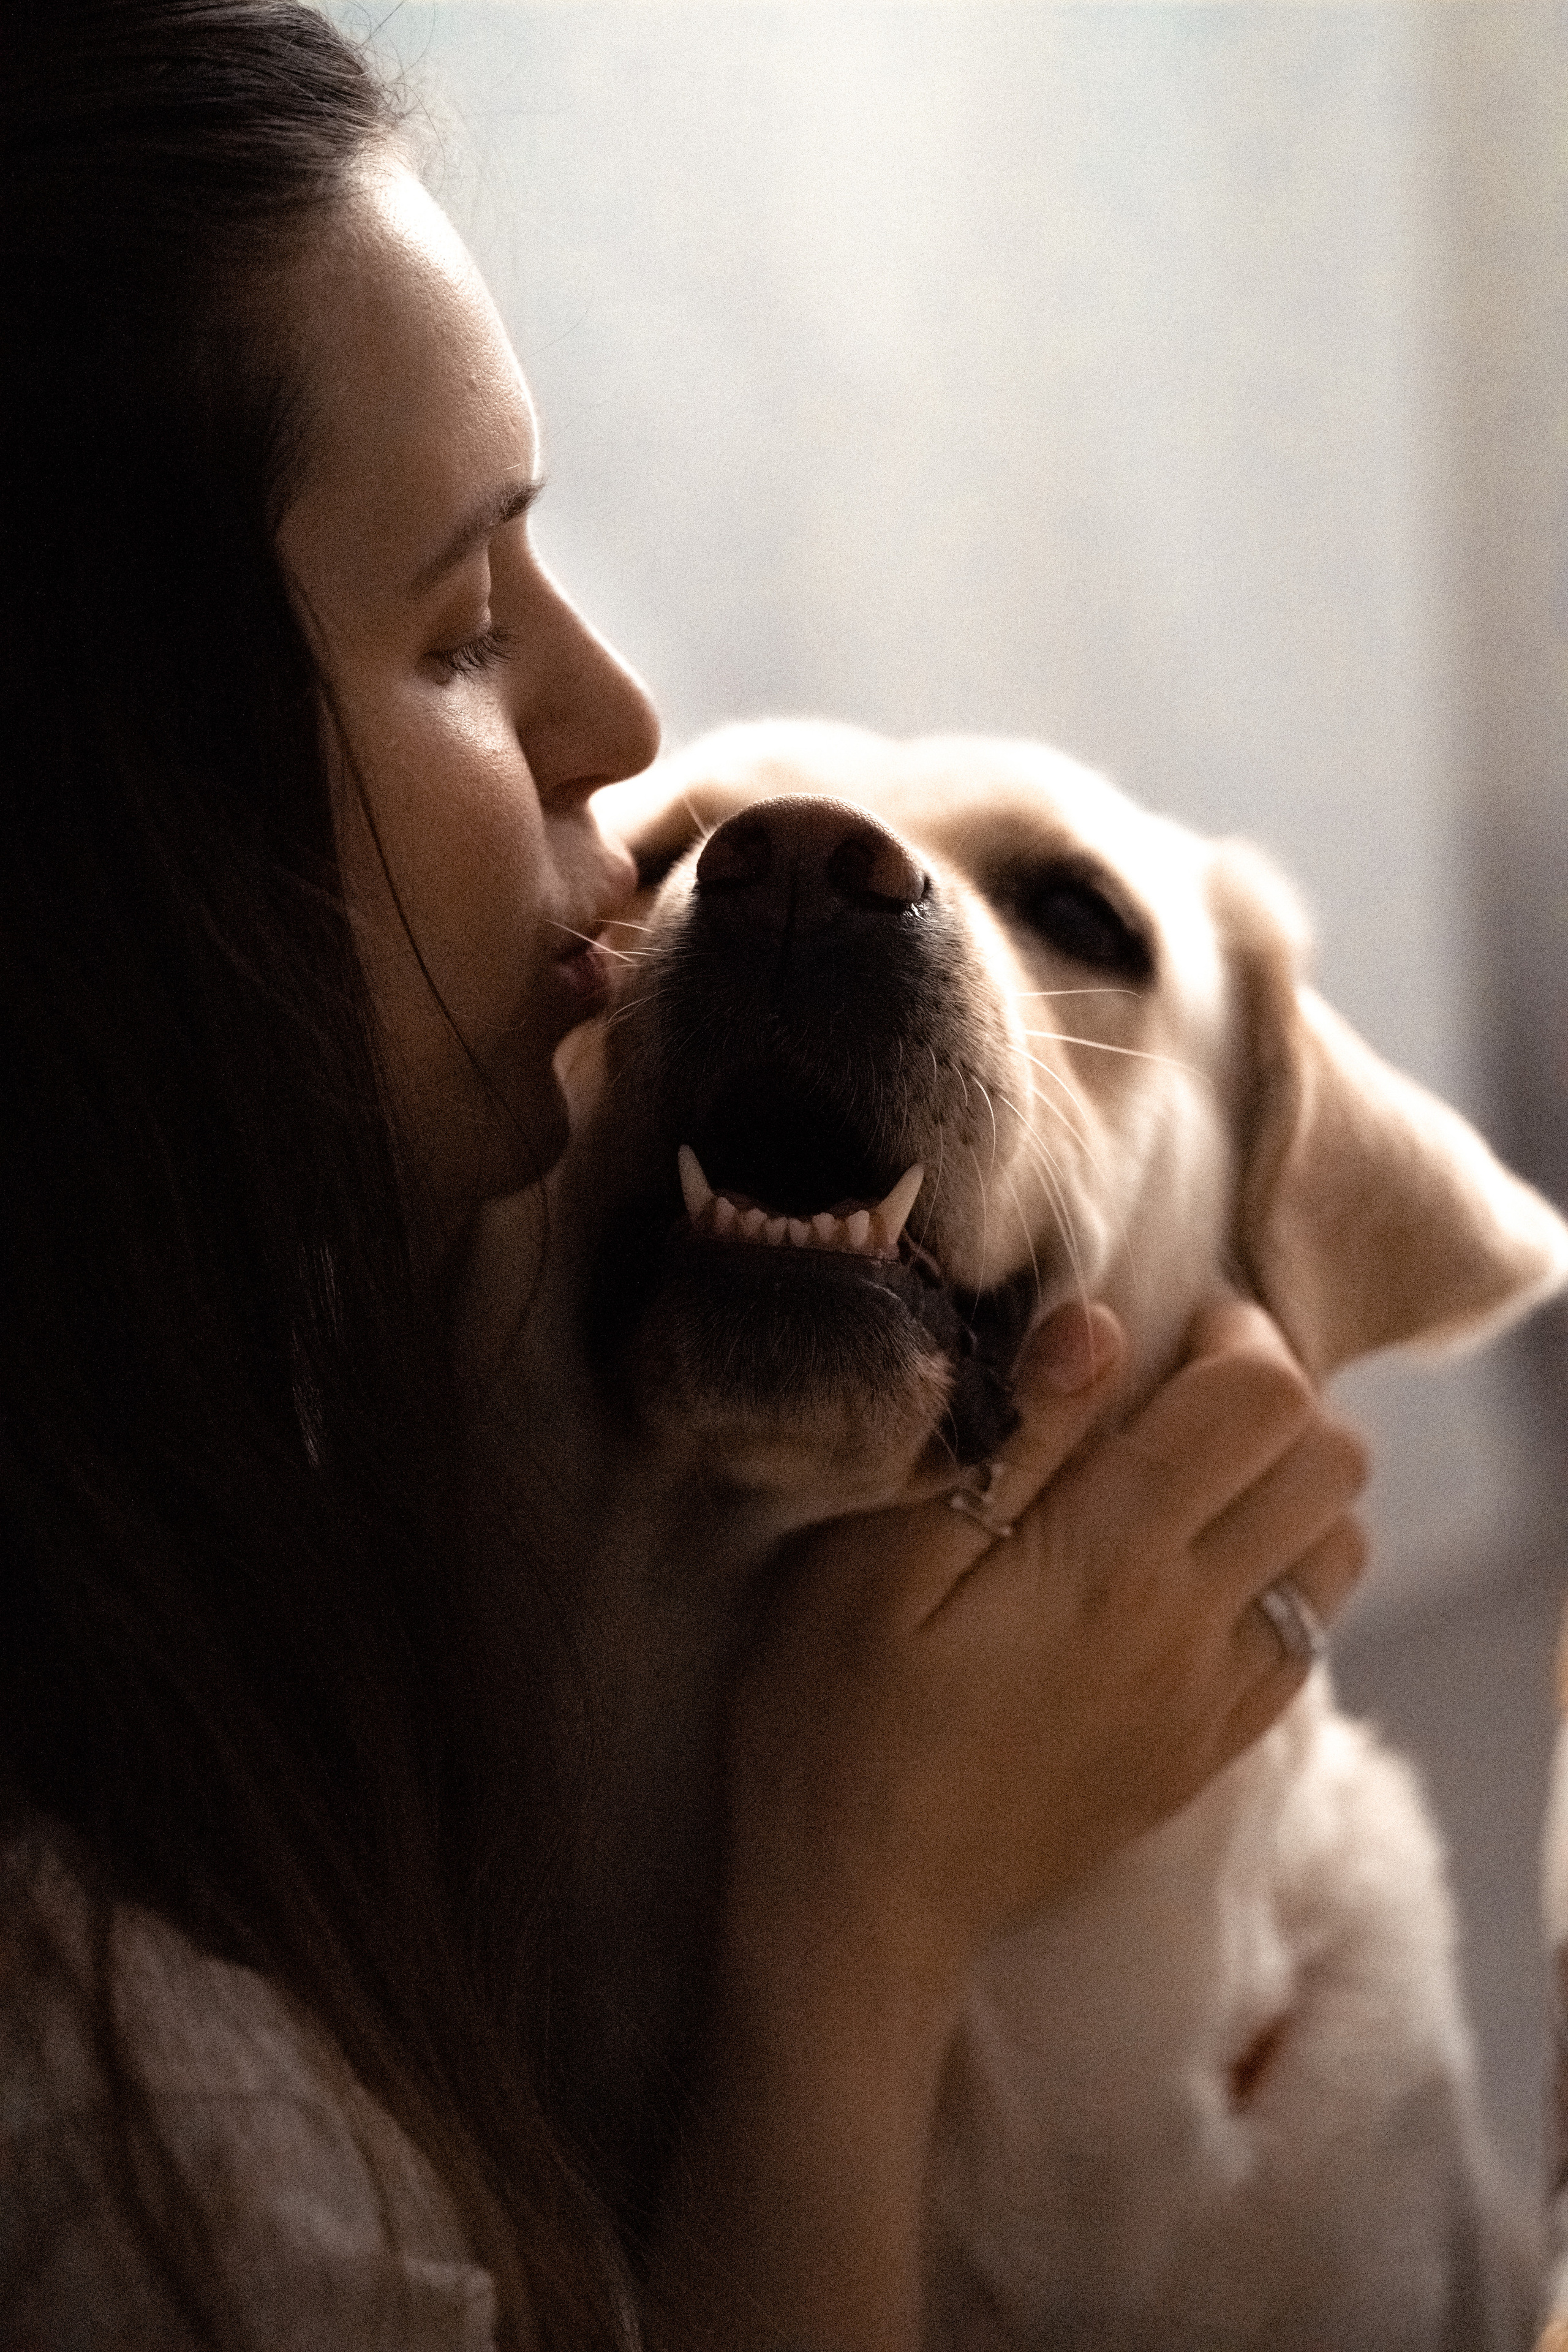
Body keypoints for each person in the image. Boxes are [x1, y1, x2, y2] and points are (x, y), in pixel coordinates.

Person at [0, 5, 1368, 2346]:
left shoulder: (229, 1525)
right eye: (455, 632)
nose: (637, 752)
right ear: (105, 831)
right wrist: (856, 1916)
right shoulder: (145, 2143)